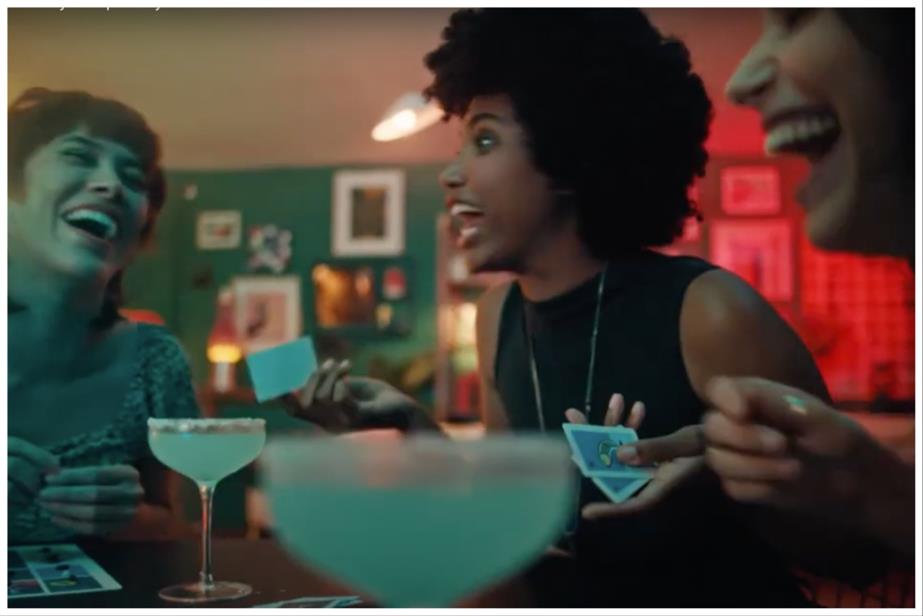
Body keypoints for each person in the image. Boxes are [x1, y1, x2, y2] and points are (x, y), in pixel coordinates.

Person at [288, 9, 863, 606]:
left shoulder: (709, 312)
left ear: (568, 152)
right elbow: (508, 507)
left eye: (484, 139)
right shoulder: (497, 315)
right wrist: (411, 424)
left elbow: (856, 549)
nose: (451, 174)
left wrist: (734, 477)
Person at [594, 8, 915, 562]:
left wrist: (875, 497)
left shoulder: (714, 306)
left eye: (795, 16)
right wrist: (879, 492)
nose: (739, 82)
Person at [8, 87, 199, 543]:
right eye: (78, 155)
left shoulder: (156, 363)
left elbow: (185, 534)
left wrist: (130, 520)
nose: (112, 184)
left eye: (133, 177)